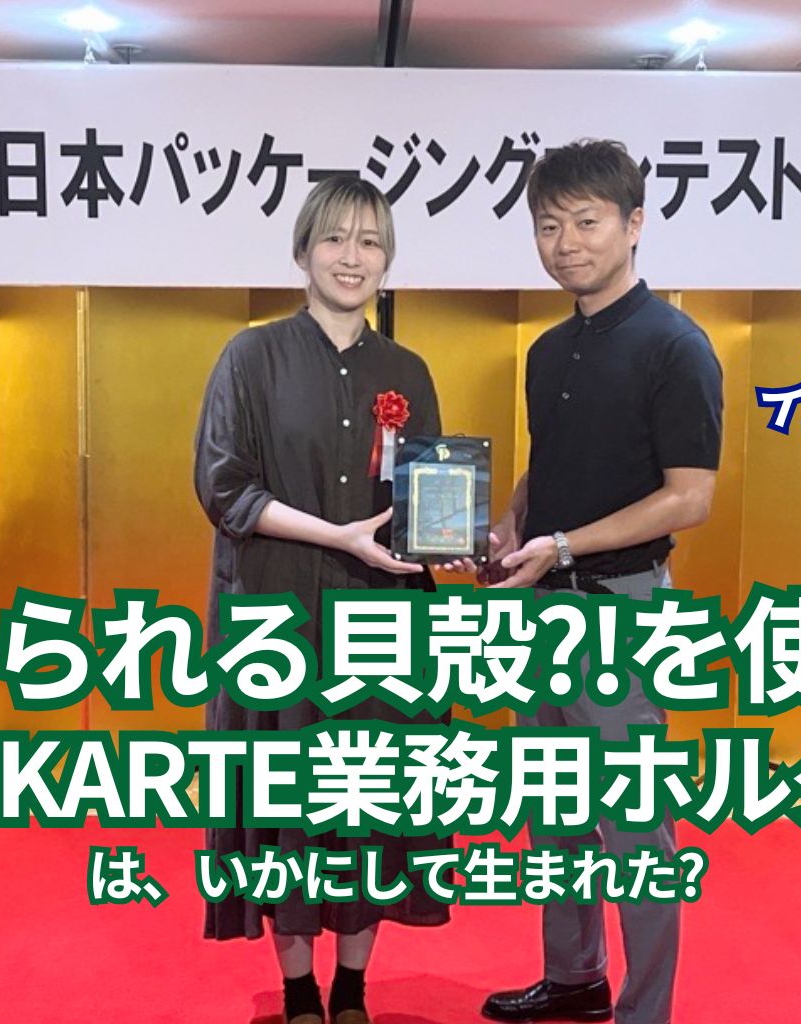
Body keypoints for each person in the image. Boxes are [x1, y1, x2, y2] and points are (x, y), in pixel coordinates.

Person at [193, 175, 450, 1024]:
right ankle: (299, 988)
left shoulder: (407, 371)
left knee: (370, 803)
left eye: (370, 242)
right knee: (289, 805)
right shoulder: (251, 357)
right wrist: (338, 536)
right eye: (335, 238)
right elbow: (224, 487)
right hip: (279, 614)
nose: (352, 257)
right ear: (303, 250)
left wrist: (452, 537)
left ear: (387, 260)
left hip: (382, 619)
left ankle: (352, 987)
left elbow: (428, 499)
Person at [479, 140, 724, 1024]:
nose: (567, 243)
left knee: (634, 825)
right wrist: (514, 524)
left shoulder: (677, 346)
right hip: (543, 609)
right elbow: (551, 464)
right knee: (554, 812)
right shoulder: (549, 350)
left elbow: (689, 498)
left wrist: (564, 545)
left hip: (623, 607)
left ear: (635, 224)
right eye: (549, 226)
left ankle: (645, 1010)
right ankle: (574, 978)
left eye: (587, 222)